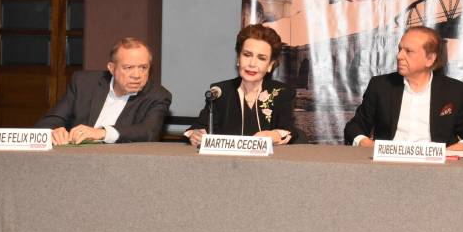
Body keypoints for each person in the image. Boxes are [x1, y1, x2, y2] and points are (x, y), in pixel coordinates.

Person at [344, 26, 463, 150]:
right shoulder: (380, 86)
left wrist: (456, 149)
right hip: (388, 166)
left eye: (408, 51)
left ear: (429, 59)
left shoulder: (454, 90)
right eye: (400, 49)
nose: (399, 56)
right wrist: (368, 145)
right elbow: (353, 128)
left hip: (437, 169)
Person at [35, 37, 172, 145]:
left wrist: (102, 133)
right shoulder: (84, 83)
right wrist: (54, 131)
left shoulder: (158, 95)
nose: (137, 75)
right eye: (128, 67)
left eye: (143, 67)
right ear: (111, 68)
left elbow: (148, 132)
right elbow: (50, 121)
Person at [186, 24, 302, 146]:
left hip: (269, 162)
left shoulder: (282, 92)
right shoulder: (220, 92)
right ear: (238, 58)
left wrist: (276, 135)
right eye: (247, 55)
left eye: (261, 58)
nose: (252, 64)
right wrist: (195, 134)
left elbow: (289, 130)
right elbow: (197, 127)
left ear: (270, 65)